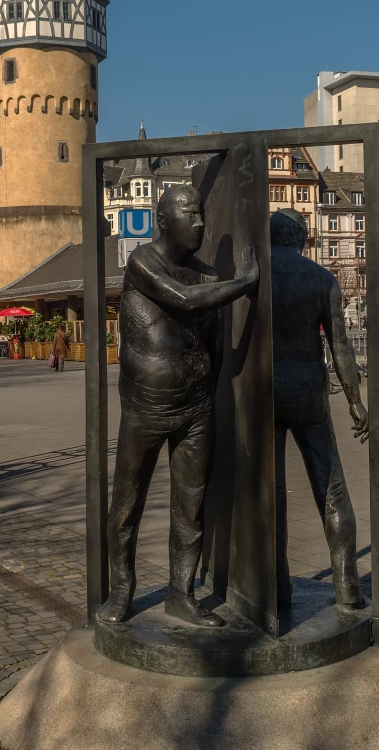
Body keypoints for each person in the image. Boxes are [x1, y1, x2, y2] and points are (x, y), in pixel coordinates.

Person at [100, 184, 260, 628]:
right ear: (163, 220)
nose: (200, 223)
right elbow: (184, 300)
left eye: (202, 214)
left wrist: (201, 386)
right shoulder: (142, 263)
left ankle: (181, 593)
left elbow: (214, 342)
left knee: (190, 508)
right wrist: (245, 282)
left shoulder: (210, 277)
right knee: (126, 504)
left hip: (194, 410)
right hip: (144, 409)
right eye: (190, 214)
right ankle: (121, 590)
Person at [267, 209, 368, 610]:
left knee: (271, 495)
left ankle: (277, 589)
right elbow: (339, 345)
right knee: (332, 490)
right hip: (309, 388)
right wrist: (355, 400)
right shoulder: (321, 279)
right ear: (302, 238)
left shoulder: (256, 276)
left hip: (267, 390)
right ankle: (348, 587)